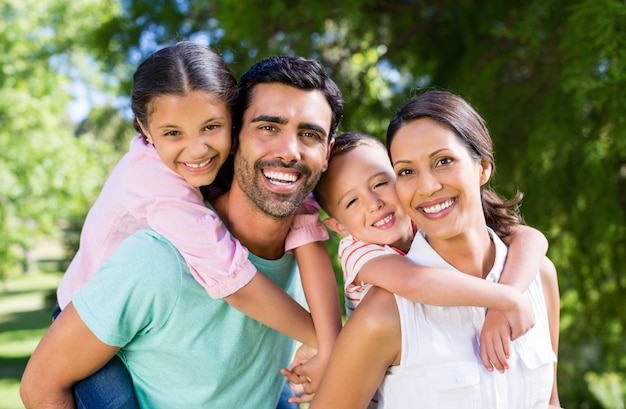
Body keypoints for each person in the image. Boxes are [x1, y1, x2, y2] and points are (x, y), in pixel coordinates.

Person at [20, 54, 343, 408]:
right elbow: (233, 281)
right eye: (268, 127)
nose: (288, 151)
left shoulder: (293, 233)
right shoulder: (160, 234)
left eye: (309, 134)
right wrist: (334, 346)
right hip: (86, 306)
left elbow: (308, 228)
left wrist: (329, 345)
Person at [308, 91, 562, 409]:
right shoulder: (383, 307)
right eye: (407, 171)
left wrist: (506, 296)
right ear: (338, 225)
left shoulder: (538, 276)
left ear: (483, 167)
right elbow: (414, 283)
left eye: (443, 161)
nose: (427, 187)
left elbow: (551, 402)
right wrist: (506, 299)